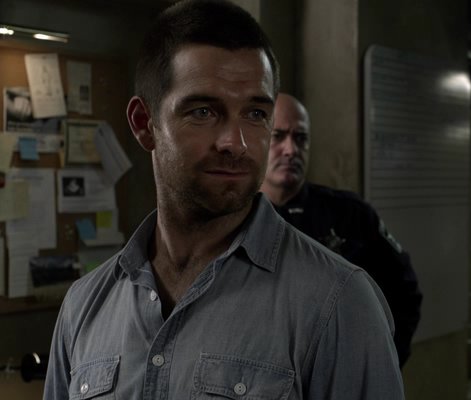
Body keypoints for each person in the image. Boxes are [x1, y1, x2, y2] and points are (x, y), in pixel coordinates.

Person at [43, 1, 404, 399]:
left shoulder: (338, 302)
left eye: (255, 114)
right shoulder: (84, 305)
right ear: (144, 124)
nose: (236, 143)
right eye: (203, 112)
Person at [260, 93, 423, 367]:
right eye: (278, 136)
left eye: (301, 138)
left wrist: (382, 364)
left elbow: (404, 293)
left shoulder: (350, 214)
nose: (290, 150)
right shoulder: (235, 217)